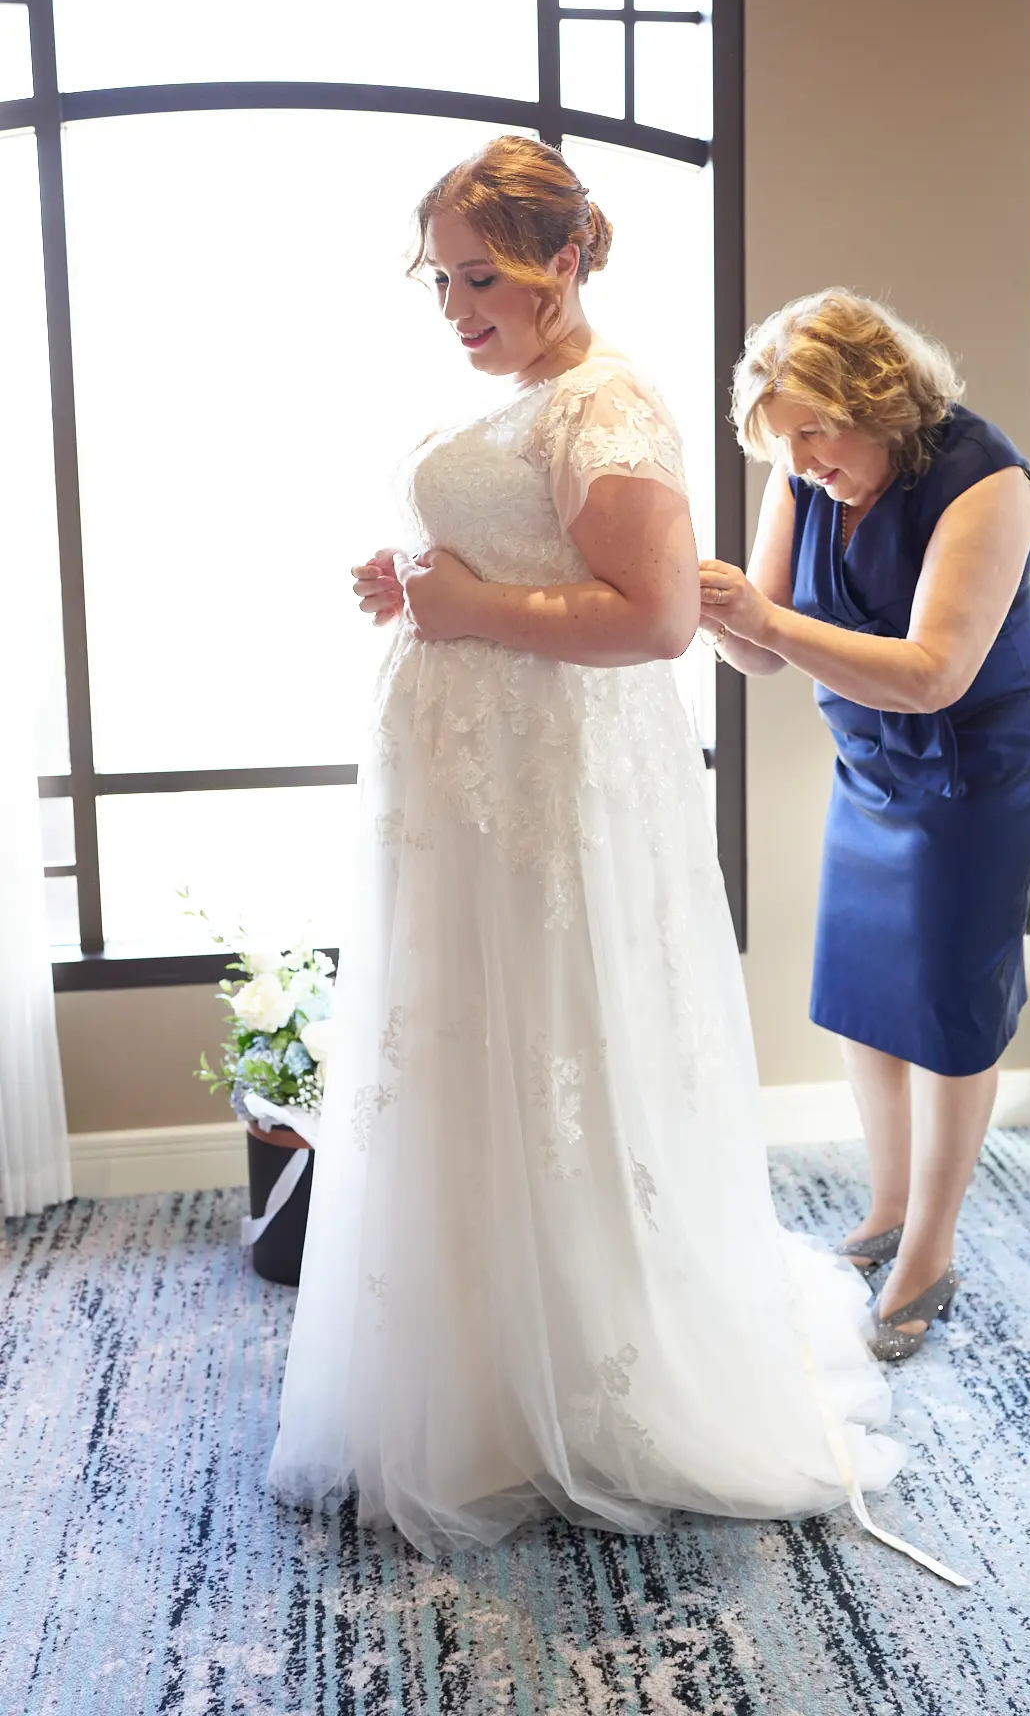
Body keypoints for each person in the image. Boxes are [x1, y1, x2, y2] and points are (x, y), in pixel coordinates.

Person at [267, 139, 964, 1584]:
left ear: (565, 258)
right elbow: (517, 564)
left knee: (554, 1048)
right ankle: (473, 1355)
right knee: (467, 1049)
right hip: (468, 787)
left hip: (543, 789)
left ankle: (579, 1376)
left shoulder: (611, 403)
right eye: (441, 281)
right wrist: (412, 588)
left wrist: (467, 608)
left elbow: (651, 623)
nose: (456, 306)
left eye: (483, 277)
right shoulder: (530, 397)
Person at [700, 288, 1030, 1361]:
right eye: (781, 436)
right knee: (865, 999)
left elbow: (935, 673)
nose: (801, 456)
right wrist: (716, 612)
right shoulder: (804, 470)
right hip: (867, 762)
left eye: (815, 428)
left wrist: (766, 622)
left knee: (949, 1011)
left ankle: (930, 1250)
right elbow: (763, 650)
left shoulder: (988, 483)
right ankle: (888, 1203)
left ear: (879, 397)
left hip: (970, 768)